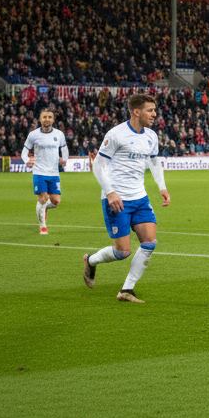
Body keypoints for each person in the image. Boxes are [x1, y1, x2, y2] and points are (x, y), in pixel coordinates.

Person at [81, 93, 171, 303]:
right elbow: (98, 165)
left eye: (154, 110)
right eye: (150, 110)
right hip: (116, 199)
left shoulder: (151, 136)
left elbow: (154, 162)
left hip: (140, 197)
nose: (154, 114)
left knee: (149, 242)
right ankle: (91, 261)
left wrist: (162, 187)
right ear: (136, 112)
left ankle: (126, 290)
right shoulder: (116, 134)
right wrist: (110, 192)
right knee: (123, 252)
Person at [22, 107, 69, 235]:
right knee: (43, 197)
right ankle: (43, 226)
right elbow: (24, 151)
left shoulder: (59, 134)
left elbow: (64, 149)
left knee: (56, 201)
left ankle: (41, 206)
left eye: (49, 117)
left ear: (53, 119)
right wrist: (27, 160)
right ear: (40, 119)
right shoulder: (33, 135)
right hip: (39, 172)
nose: (46, 119)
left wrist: (64, 159)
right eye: (44, 117)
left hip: (54, 173)